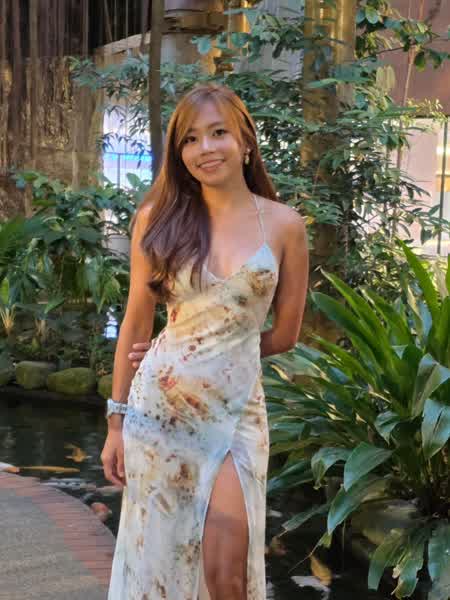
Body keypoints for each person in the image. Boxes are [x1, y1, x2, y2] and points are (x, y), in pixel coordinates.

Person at [101, 83, 308, 600]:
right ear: (180, 153)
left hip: (236, 412)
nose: (205, 148)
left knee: (226, 572)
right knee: (160, 558)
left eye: (218, 133)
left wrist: (212, 354)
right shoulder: (158, 220)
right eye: (190, 139)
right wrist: (115, 422)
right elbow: (135, 323)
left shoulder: (284, 226)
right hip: (159, 409)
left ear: (245, 141)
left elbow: (286, 334)